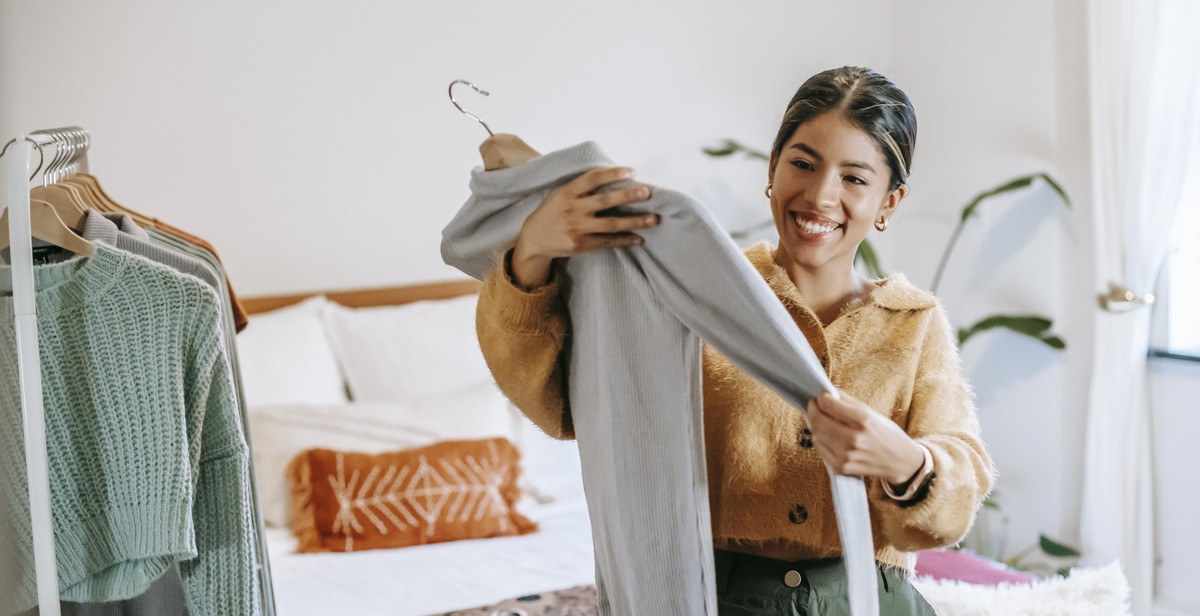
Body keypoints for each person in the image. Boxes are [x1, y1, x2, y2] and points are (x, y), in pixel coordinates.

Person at [474, 66, 995, 615]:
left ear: (889, 202)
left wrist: (908, 464)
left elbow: (956, 495)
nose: (820, 195)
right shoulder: (693, 295)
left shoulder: (913, 323)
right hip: (711, 597)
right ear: (773, 168)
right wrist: (532, 250)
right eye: (803, 163)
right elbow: (564, 405)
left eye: (855, 178)